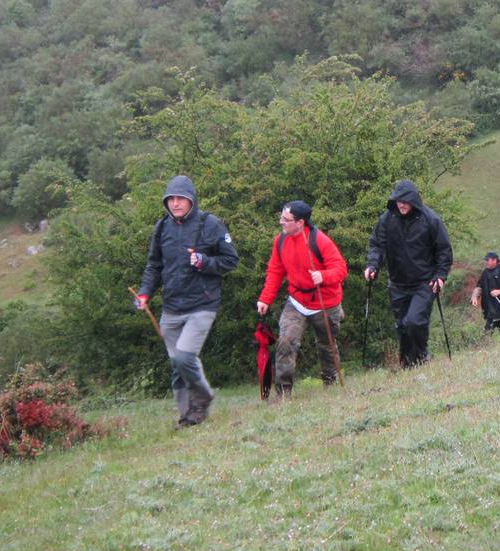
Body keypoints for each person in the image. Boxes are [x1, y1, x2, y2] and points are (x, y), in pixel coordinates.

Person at [135, 175, 238, 427]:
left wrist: (205, 262)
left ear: (192, 200)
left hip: (202, 305)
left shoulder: (210, 224)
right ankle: (189, 415)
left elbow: (230, 260)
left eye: (181, 198)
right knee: (176, 364)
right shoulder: (161, 228)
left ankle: (203, 397)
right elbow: (154, 266)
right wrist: (145, 293)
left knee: (184, 358)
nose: (176, 203)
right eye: (171, 199)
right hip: (171, 307)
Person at [256, 201, 348, 397]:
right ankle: (283, 394)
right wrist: (265, 299)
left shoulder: (320, 241)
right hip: (297, 301)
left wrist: (323, 276)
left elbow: (340, 269)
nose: (281, 222)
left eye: (285, 219)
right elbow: (275, 271)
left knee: (327, 346)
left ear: (300, 222)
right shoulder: (280, 241)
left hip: (326, 302)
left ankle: (331, 386)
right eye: (281, 218)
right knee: (286, 342)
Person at [363, 180, 453, 367]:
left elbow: (444, 250)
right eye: (398, 201)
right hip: (397, 283)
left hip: (425, 282)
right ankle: (407, 364)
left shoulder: (430, 219)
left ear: (414, 200)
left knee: (414, 321)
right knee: (402, 326)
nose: (401, 204)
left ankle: (422, 356)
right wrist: (373, 266)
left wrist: (440, 276)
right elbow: (377, 245)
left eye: (405, 201)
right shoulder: (387, 219)